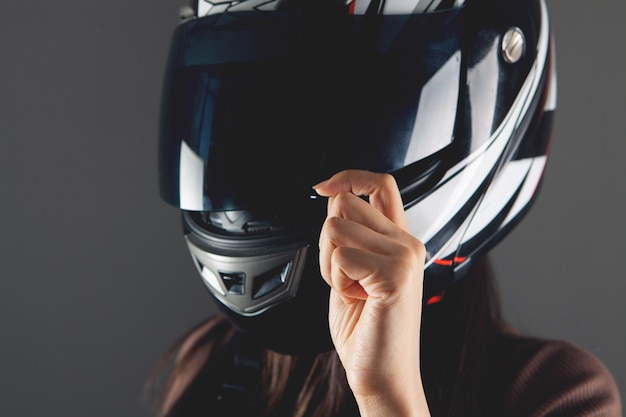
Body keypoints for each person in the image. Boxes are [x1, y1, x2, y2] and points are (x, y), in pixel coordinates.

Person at [151, 0, 622, 415]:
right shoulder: (213, 362)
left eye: (333, 128)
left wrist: (388, 396)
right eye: (260, 126)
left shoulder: (552, 393)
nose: (277, 170)